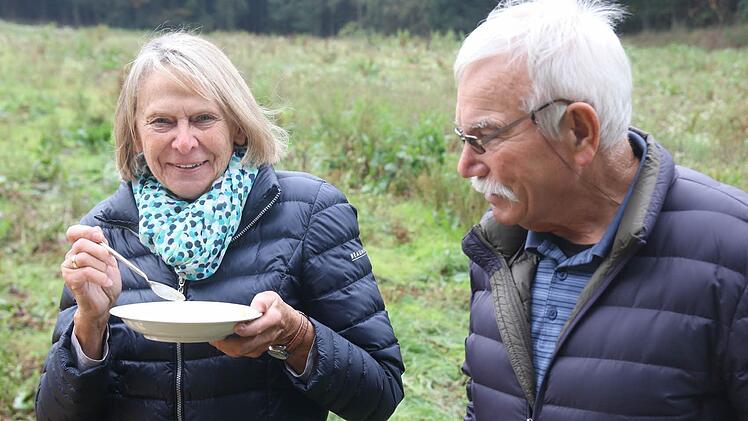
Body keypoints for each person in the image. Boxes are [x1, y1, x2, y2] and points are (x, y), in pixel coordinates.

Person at [35, 32, 404, 421]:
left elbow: (379, 396)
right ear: (136, 135)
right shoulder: (104, 234)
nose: (183, 142)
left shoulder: (311, 212)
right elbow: (53, 415)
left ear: (238, 127)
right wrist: (89, 326)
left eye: (203, 118)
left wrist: (295, 336)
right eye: (162, 122)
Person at [453, 0, 748, 420]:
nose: (466, 166)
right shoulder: (497, 250)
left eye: (485, 136)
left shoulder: (734, 255)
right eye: (463, 136)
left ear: (578, 131)